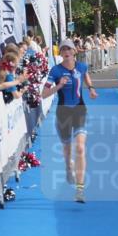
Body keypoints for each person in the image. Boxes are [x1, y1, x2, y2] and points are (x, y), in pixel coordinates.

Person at [42, 38, 97, 203]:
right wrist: (58, 86)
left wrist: (92, 89)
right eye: (63, 49)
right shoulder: (55, 71)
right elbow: (44, 94)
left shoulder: (81, 66)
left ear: (74, 52)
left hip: (80, 110)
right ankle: (68, 166)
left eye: (69, 49)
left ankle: (80, 190)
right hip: (63, 113)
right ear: (61, 53)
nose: (66, 51)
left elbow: (86, 77)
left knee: (80, 148)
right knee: (67, 148)